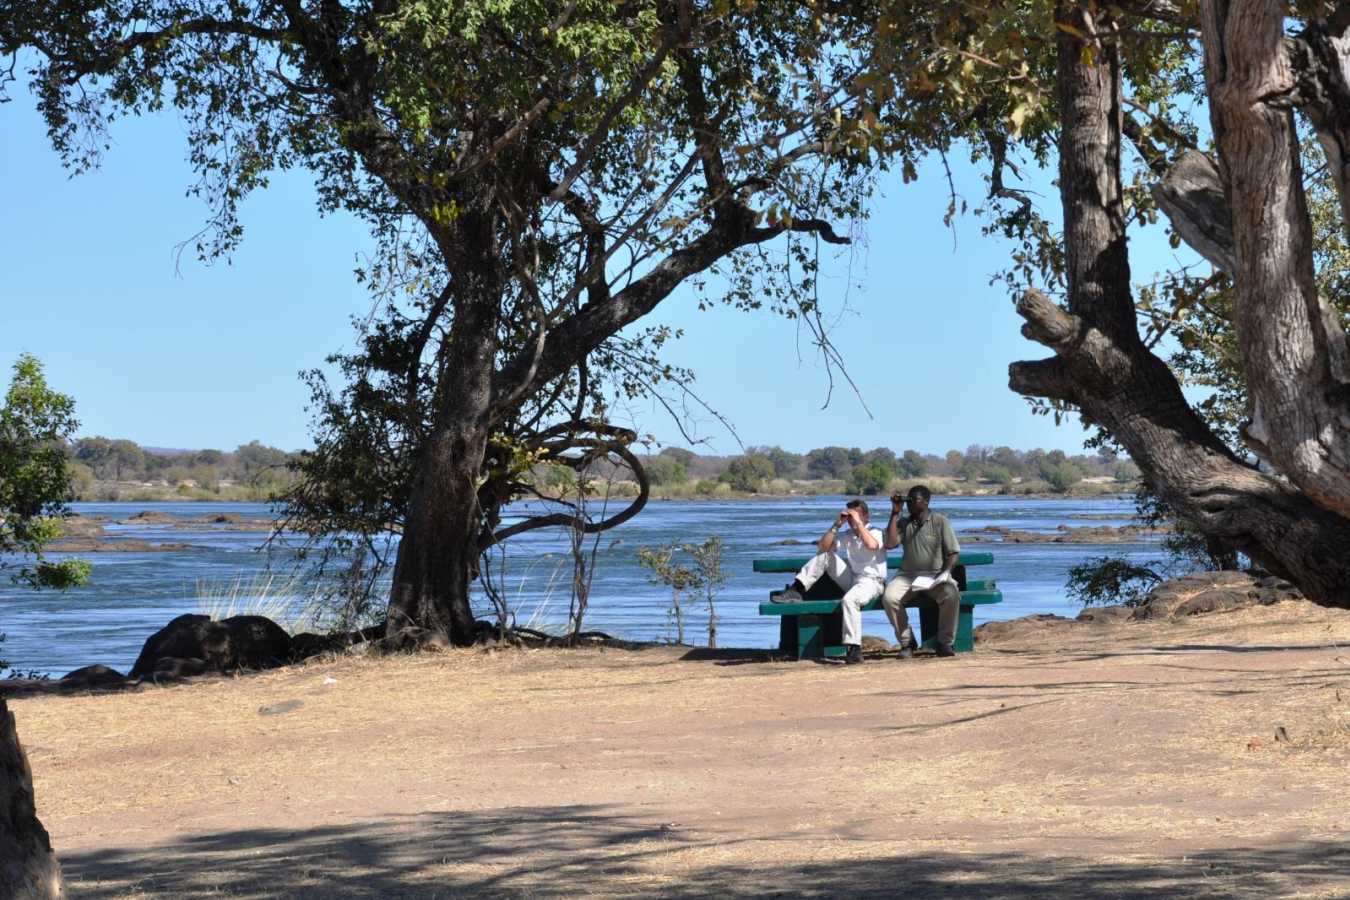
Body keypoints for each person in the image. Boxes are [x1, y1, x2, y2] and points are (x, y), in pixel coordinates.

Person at [771, 498, 887, 665]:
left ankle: (854, 648)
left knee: (850, 600)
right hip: (853, 578)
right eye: (850, 516)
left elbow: (872, 545)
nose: (852, 520)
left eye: (856, 515)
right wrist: (836, 525)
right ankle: (796, 589)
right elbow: (823, 547)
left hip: (872, 582)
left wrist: (859, 524)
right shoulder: (847, 535)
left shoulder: (875, 531)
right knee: (825, 556)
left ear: (866, 516)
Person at [881, 485, 961, 658]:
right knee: (889, 598)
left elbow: (953, 553)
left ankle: (945, 642)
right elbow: (889, 544)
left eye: (914, 499)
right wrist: (895, 513)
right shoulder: (903, 522)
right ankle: (907, 642)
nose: (909, 503)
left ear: (926, 502)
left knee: (951, 594)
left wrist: (945, 573)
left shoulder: (940, 521)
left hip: (935, 575)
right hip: (907, 576)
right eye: (908, 500)